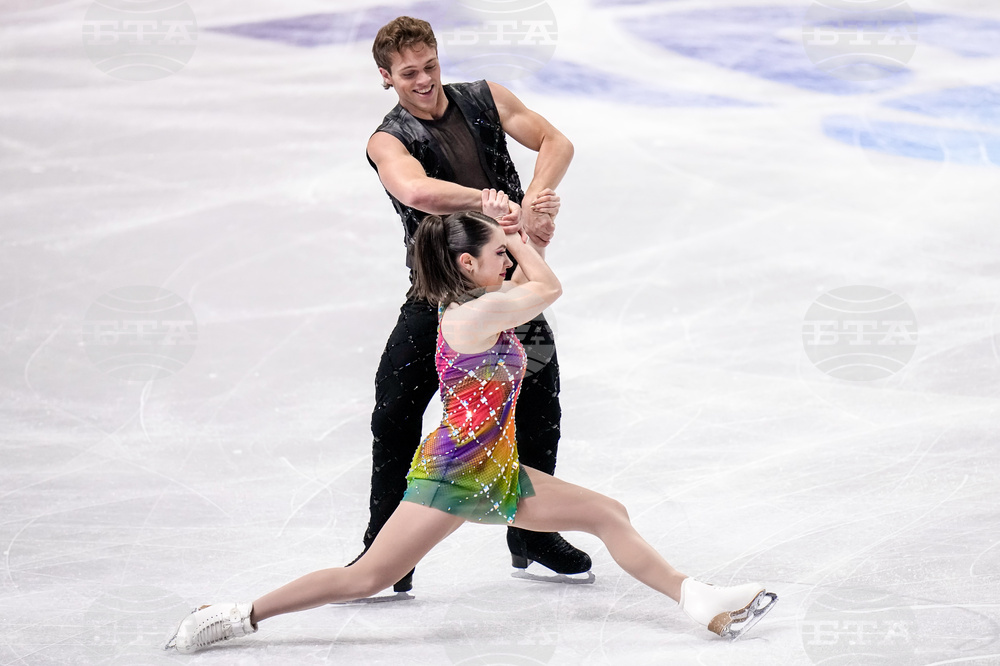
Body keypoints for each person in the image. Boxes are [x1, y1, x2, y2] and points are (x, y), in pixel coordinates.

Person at [164, 199, 778, 654]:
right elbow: (549, 286)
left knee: (606, 512)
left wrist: (519, 236)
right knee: (367, 577)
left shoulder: (480, 304)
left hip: (490, 468)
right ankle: (235, 615)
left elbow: (528, 284)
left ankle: (701, 601)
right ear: (467, 263)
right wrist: (518, 236)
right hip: (460, 473)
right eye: (496, 255)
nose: (505, 261)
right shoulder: (473, 315)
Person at [360, 15, 588, 592]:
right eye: (409, 73)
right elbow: (414, 190)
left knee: (540, 405)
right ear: (387, 77)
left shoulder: (485, 98)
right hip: (435, 295)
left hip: (505, 288)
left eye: (430, 66)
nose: (424, 81)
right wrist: (492, 203)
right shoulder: (388, 139)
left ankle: (532, 535)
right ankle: (383, 552)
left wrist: (533, 201)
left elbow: (556, 141)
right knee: (394, 411)